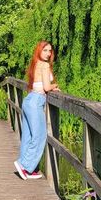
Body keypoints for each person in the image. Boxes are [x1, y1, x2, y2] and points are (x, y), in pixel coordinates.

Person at [14, 41, 59, 180]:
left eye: (50, 50)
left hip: (29, 100)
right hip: (36, 101)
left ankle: (28, 169)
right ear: (39, 50)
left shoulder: (35, 64)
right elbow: (46, 87)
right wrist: (54, 85)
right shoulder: (44, 65)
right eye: (45, 50)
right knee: (40, 136)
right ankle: (24, 165)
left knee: (28, 136)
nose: (48, 53)